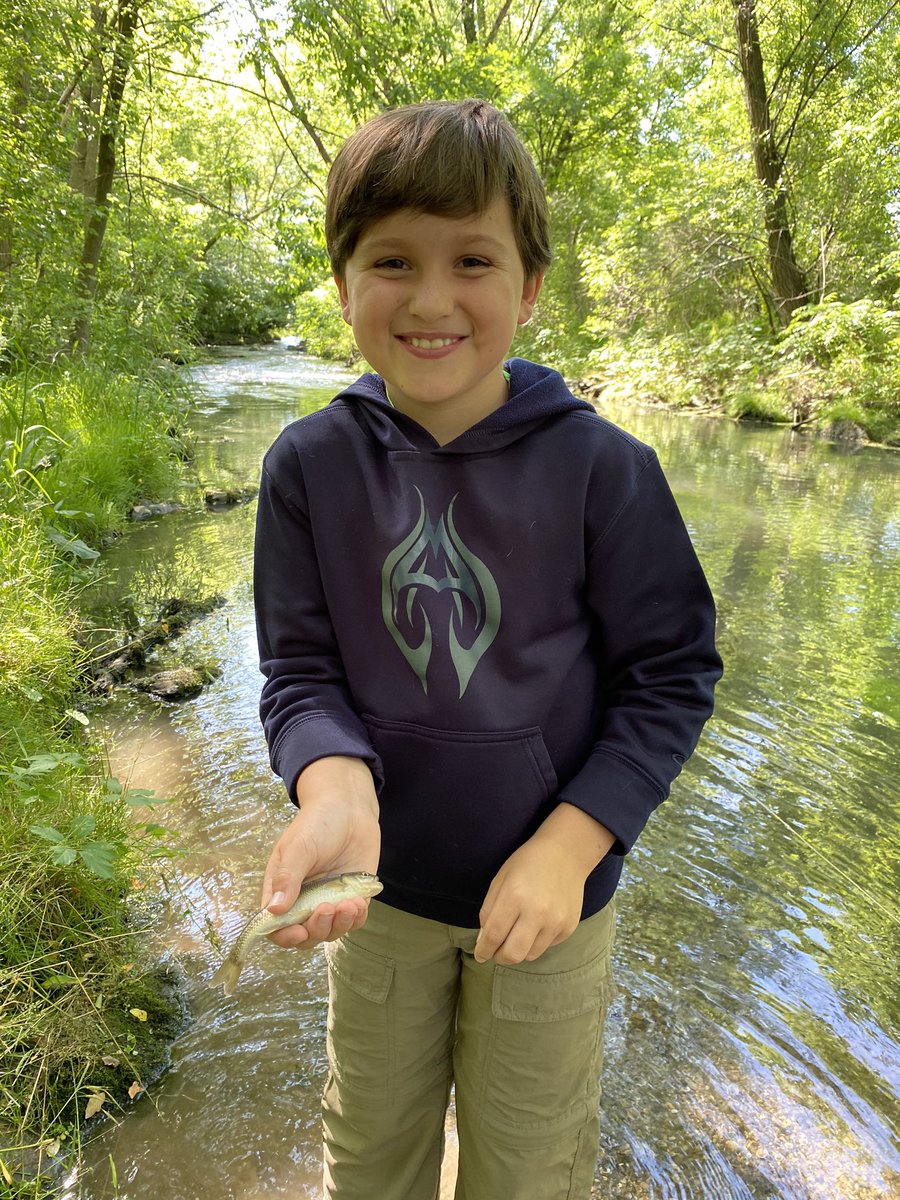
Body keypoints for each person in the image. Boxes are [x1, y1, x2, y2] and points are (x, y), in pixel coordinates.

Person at [252, 99, 722, 1200]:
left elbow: (671, 677)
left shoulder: (608, 471)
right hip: (379, 897)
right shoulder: (307, 465)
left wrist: (571, 845)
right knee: (369, 1156)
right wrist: (332, 789)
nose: (429, 298)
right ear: (342, 283)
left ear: (530, 285)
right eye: (391, 260)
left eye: (472, 258)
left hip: (554, 903)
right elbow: (300, 671)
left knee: (525, 1168)